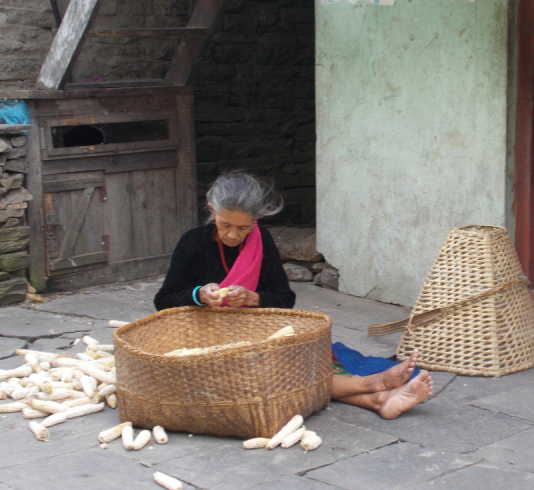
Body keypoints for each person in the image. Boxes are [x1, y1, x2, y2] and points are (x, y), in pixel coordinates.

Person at [155, 170, 433, 419]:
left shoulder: (261, 241)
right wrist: (200, 295)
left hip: (254, 331)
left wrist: (253, 298)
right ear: (211, 210)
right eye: (225, 224)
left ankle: (380, 400)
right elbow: (163, 301)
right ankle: (372, 387)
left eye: (243, 227)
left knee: (297, 356)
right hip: (206, 339)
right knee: (273, 371)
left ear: (256, 220)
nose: (233, 235)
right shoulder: (192, 243)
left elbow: (284, 299)